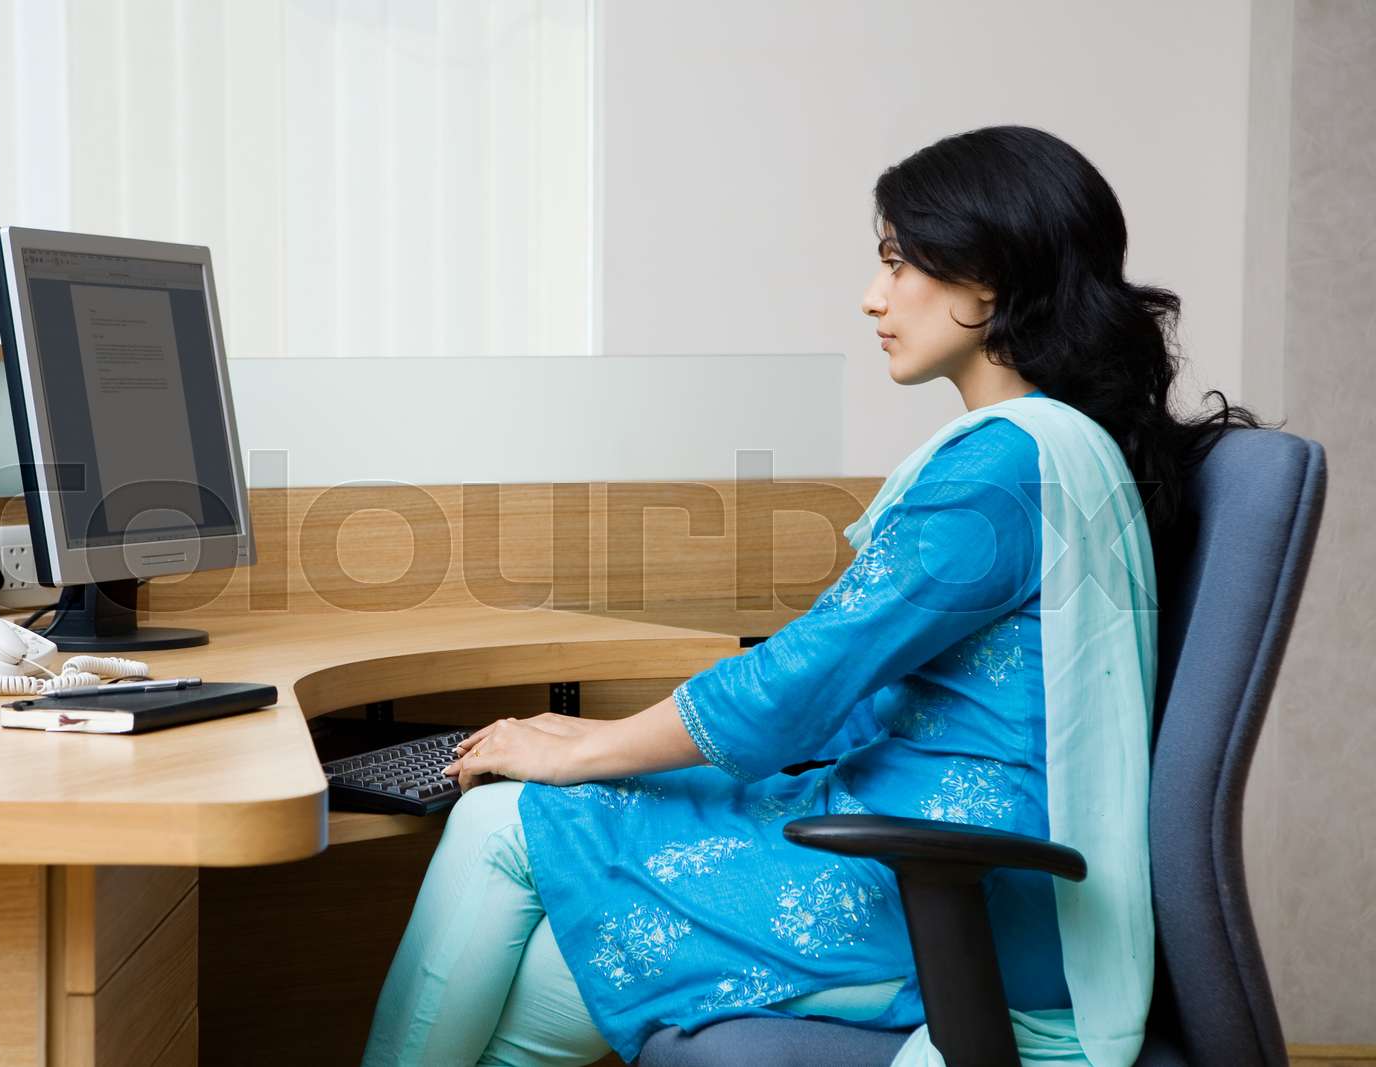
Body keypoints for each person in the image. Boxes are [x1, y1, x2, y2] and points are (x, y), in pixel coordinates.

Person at [360, 125, 1264, 1067]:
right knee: (544, 944)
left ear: (987, 279)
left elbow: (804, 682)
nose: (873, 298)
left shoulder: (1001, 470)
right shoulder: (1061, 446)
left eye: (898, 263)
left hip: (950, 889)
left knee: (502, 824)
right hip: (944, 853)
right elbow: (851, 689)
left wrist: (590, 747)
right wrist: (620, 754)